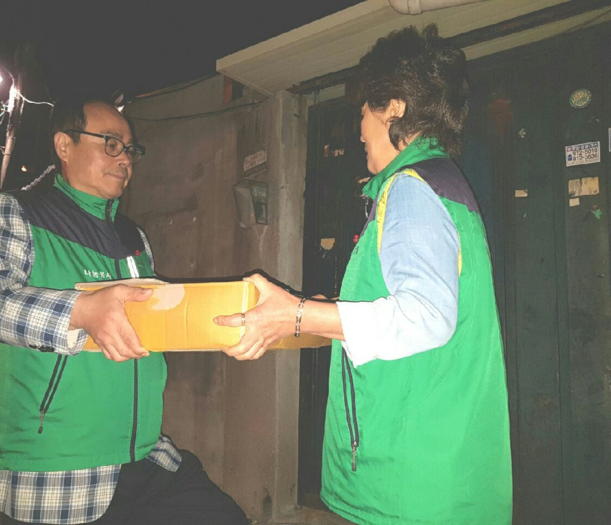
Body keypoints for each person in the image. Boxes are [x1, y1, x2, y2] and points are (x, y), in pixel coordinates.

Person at [215, 25, 512, 524]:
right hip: (443, 463)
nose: (358, 128)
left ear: (394, 107)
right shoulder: (445, 184)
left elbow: (425, 317)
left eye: (362, 110)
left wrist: (297, 314)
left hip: (411, 480)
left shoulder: (411, 188)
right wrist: (324, 312)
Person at [0, 97, 248, 525]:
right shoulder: (17, 210)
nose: (125, 159)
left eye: (130, 149)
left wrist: (227, 322)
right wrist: (81, 311)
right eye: (111, 144)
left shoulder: (133, 235)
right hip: (61, 470)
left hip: (147, 455)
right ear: (64, 145)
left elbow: (150, 316)